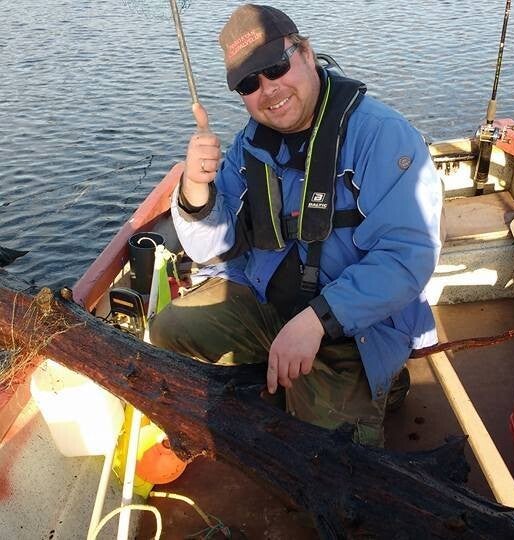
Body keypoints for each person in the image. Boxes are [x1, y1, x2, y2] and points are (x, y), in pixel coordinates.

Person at [150, 4, 442, 447]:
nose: (268, 90)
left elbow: (408, 257)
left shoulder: (381, 135)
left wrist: (317, 320)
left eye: (276, 67)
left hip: (355, 330)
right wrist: (194, 188)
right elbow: (210, 247)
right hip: (268, 303)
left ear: (305, 52)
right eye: (249, 83)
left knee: (325, 458)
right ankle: (279, 376)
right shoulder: (249, 145)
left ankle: (383, 385)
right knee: (169, 331)